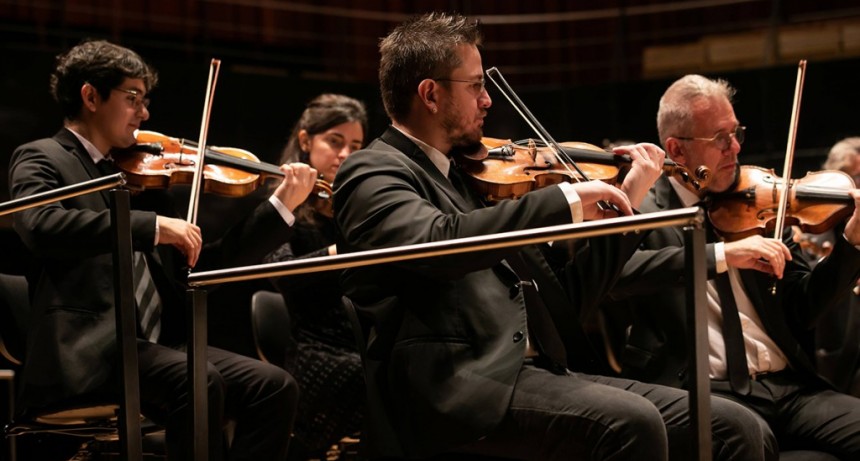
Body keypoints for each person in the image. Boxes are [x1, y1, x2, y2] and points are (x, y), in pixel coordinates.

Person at [333, 12, 773, 461]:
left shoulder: (469, 178)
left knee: (733, 426)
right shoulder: (374, 170)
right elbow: (437, 243)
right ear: (430, 94)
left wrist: (628, 204)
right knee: (632, 423)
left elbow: (570, 298)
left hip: (537, 373)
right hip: (460, 388)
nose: (487, 101)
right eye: (475, 86)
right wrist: (563, 200)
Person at [8, 39, 317, 460]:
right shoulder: (41, 157)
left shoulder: (140, 178)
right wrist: (150, 226)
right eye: (132, 98)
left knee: (274, 387)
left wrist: (281, 206)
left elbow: (200, 266)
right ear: (91, 96)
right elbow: (41, 227)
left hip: (156, 347)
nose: (145, 113)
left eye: (145, 100)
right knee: (197, 379)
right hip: (89, 349)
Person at [606, 73, 860, 458]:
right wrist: (722, 256)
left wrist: (850, 244)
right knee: (748, 437)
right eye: (720, 139)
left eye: (736, 132)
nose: (736, 147)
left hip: (788, 387)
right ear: (677, 148)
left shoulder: (759, 201)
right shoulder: (642, 210)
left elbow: (804, 306)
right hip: (703, 392)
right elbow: (616, 276)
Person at [264, 93, 368, 460]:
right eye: (334, 142)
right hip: (317, 347)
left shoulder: (354, 204)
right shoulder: (285, 200)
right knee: (382, 381)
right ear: (306, 141)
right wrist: (338, 254)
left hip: (362, 337)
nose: (345, 155)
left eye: (355, 146)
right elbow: (281, 275)